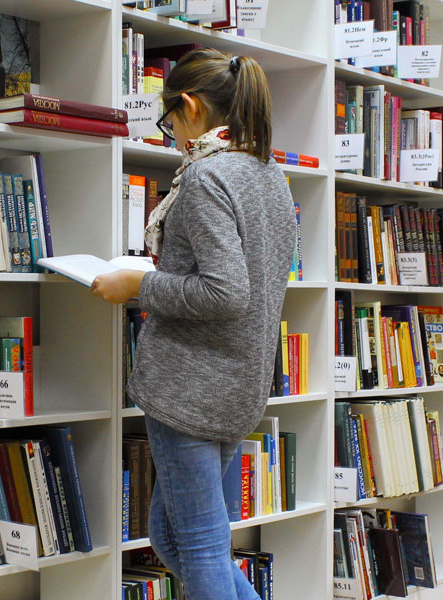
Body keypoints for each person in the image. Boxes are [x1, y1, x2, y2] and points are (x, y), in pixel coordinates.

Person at [91, 49, 295, 600]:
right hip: (239, 384)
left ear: (190, 106)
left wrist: (137, 285)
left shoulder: (206, 176)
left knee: (201, 546)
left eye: (169, 121)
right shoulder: (269, 173)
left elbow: (226, 292)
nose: (172, 134)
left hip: (191, 387)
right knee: (172, 536)